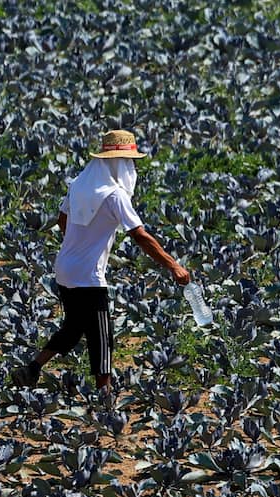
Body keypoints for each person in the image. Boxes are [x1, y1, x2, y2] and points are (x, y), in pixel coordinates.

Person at [11, 129, 190, 408]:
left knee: (73, 326)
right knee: (101, 335)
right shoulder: (115, 195)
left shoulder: (80, 184)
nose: (132, 167)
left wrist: (80, 243)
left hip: (65, 268)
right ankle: (105, 398)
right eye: (130, 162)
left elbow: (62, 219)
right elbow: (140, 235)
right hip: (88, 275)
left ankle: (33, 368)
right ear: (119, 162)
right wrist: (173, 265)